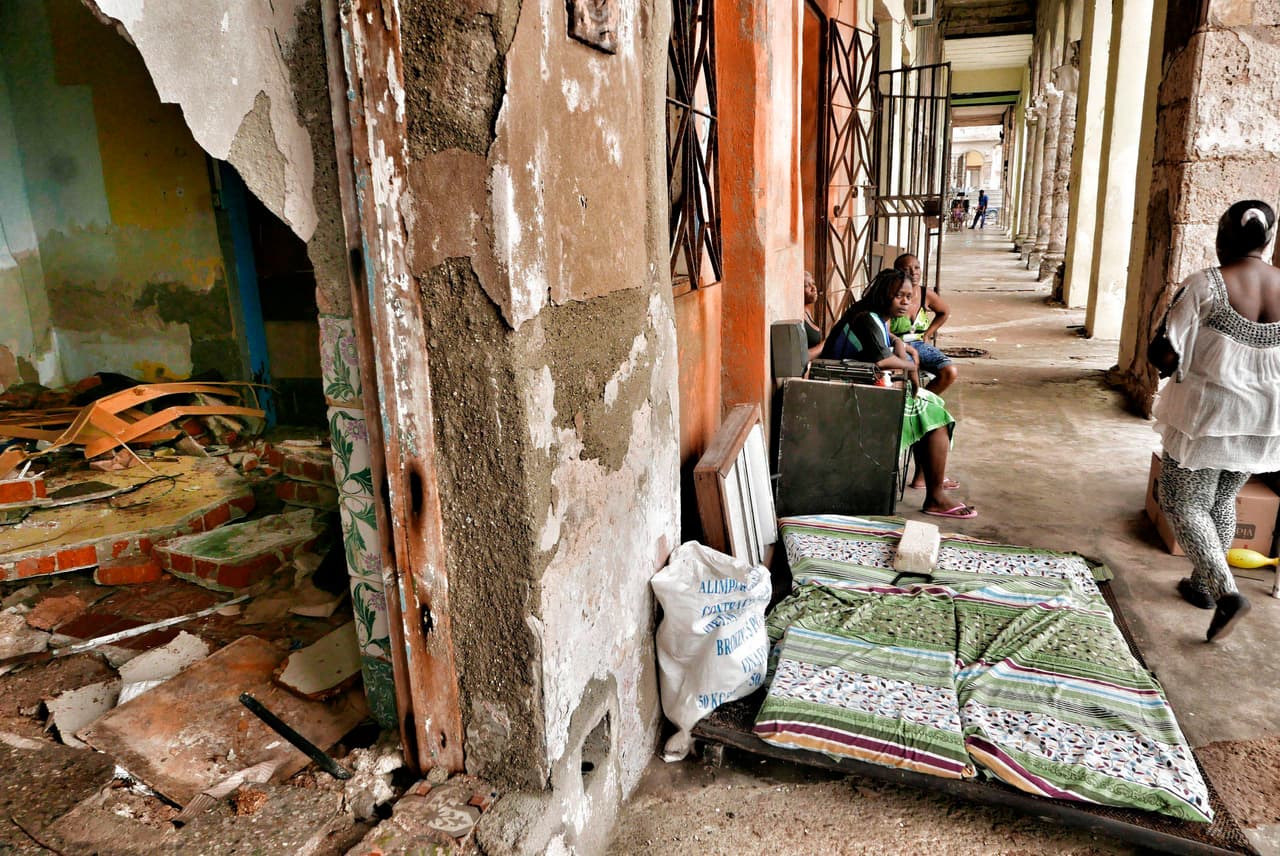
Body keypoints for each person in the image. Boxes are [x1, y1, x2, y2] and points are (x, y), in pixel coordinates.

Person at [1152, 199, 1280, 641]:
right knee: (1222, 498)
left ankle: (1226, 593)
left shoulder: (1206, 283)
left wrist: (1167, 360)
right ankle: (1202, 584)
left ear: (1224, 235)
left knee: (1184, 503)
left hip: (1209, 412)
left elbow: (1166, 350)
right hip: (1264, 416)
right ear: (1268, 238)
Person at [820, 268, 976, 519]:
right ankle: (935, 496)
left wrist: (901, 344)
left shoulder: (872, 315)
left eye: (908, 296)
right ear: (884, 296)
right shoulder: (866, 318)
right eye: (898, 296)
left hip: (856, 388)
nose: (906, 302)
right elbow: (883, 361)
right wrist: (912, 366)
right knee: (935, 419)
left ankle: (926, 478)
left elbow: (887, 343)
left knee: (931, 404)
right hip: (846, 395)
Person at [890, 253, 958, 396]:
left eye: (917, 267)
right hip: (895, 346)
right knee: (903, 377)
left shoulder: (924, 293)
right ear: (897, 273)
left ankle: (921, 402)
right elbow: (880, 326)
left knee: (949, 371)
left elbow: (944, 312)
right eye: (907, 269)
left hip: (919, 344)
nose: (913, 272)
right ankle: (905, 406)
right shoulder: (890, 295)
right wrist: (897, 343)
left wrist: (928, 334)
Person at [802, 271, 825, 362]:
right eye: (807, 286)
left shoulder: (807, 310)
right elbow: (800, 358)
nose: (814, 288)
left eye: (813, 283)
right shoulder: (796, 317)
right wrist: (824, 345)